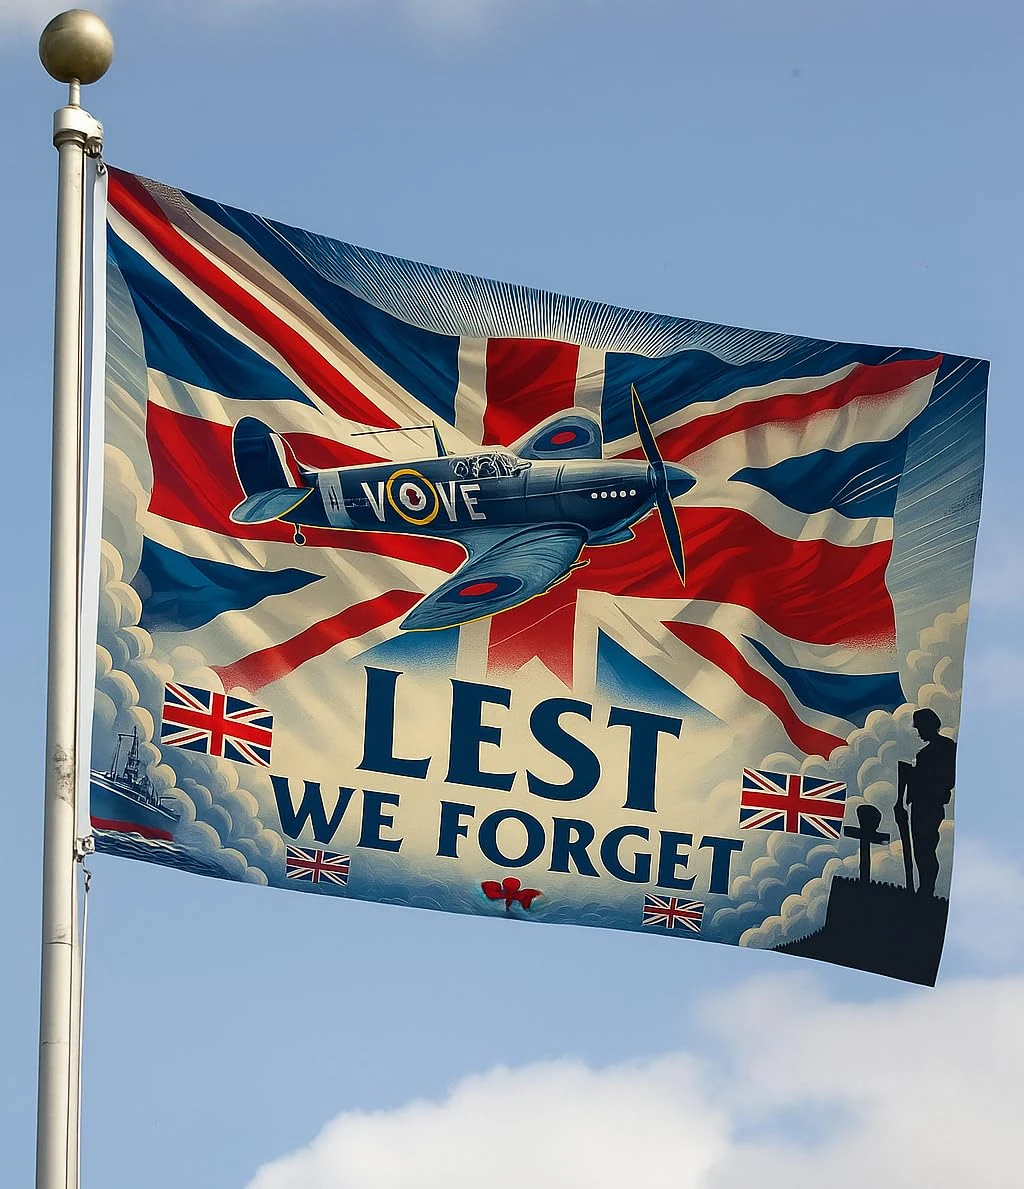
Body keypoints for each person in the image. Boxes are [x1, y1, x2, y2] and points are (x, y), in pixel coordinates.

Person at [898, 709, 956, 897]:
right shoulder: (924, 754)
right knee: (921, 850)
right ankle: (925, 888)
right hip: (920, 805)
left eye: (919, 727)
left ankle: (927, 890)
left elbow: (948, 779)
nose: (918, 732)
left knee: (926, 848)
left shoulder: (947, 747)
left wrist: (917, 776)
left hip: (930, 805)